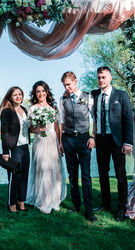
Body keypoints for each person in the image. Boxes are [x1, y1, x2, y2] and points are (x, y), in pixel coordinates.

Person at [91, 66, 133, 221]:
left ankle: (122, 207)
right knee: (102, 174)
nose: (101, 80)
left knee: (120, 175)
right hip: (101, 140)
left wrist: (128, 142)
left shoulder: (121, 95)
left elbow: (128, 120)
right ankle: (106, 203)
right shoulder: (94, 95)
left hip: (117, 141)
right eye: (99, 77)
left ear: (110, 78)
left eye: (104, 77)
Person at [59, 71, 96, 222]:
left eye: (68, 84)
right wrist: (61, 142)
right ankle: (76, 206)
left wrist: (93, 137)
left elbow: (94, 119)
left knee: (86, 176)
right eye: (64, 85)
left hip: (84, 139)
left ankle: (89, 210)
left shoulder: (88, 97)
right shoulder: (63, 99)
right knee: (72, 175)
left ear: (75, 81)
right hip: (68, 140)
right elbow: (61, 121)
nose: (67, 88)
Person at [26, 81, 67, 213]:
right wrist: (38, 129)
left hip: (52, 140)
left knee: (53, 169)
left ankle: (53, 198)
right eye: (38, 91)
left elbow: (57, 127)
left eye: (43, 91)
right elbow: (30, 129)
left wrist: (60, 143)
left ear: (47, 92)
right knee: (41, 169)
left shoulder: (53, 108)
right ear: (35, 94)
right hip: (40, 141)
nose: (41, 94)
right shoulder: (32, 109)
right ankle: (42, 199)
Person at [0, 86, 30, 213]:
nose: (18, 96)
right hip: (14, 148)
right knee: (15, 176)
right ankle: (11, 203)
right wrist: (5, 152)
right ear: (10, 97)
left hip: (25, 147)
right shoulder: (7, 111)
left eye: (20, 94)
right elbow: (4, 133)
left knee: (24, 176)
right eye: (15, 95)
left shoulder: (24, 110)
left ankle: (21, 201)